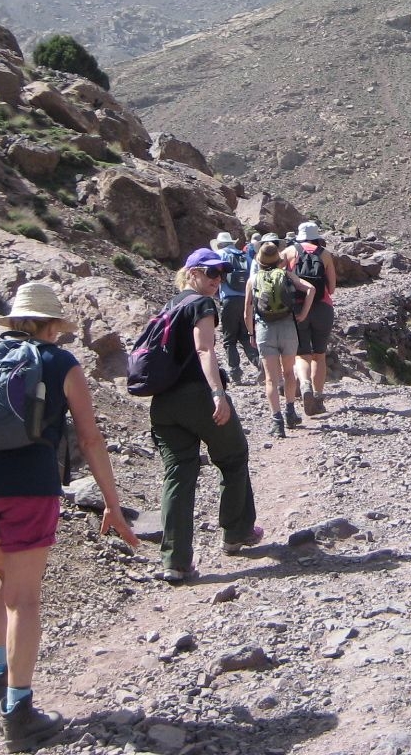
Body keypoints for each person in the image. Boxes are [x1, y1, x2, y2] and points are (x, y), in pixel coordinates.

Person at [0, 282, 138, 753]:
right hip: (28, 485)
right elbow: (90, 438)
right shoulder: (60, 363)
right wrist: (113, 504)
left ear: (14, 322)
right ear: (53, 326)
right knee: (26, 598)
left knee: (0, 574)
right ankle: (19, 713)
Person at [149, 247, 264, 582]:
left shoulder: (169, 306)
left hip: (164, 403)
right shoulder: (201, 304)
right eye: (212, 272)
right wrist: (218, 393)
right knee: (233, 455)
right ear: (193, 273)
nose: (218, 279)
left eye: (222, 274)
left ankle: (175, 561)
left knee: (178, 474)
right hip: (197, 395)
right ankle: (237, 532)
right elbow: (204, 349)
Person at [245, 238, 316, 438]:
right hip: (287, 328)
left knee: (270, 378)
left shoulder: (253, 280)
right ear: (278, 260)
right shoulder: (286, 275)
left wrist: (251, 333)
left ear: (259, 261)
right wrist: (303, 314)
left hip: (264, 329)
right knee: (289, 373)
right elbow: (311, 289)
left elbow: (247, 311)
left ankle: (277, 422)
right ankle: (290, 412)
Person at [286, 220, 338, 415]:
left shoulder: (289, 252)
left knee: (302, 354)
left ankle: (305, 384)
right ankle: (318, 397)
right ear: (316, 237)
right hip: (323, 308)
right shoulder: (325, 254)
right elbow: (331, 288)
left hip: (298, 309)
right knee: (319, 355)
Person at [213, 231, 257, 385]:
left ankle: (235, 372)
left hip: (229, 300)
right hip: (246, 301)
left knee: (229, 339)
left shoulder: (219, 255)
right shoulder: (245, 255)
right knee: (246, 336)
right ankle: (260, 365)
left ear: (219, 244)